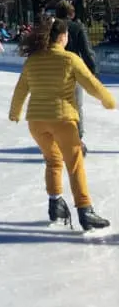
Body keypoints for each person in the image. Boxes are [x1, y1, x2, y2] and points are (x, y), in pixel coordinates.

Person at [9, 16, 113, 232]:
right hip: (63, 120)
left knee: (53, 161)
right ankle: (85, 210)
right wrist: (108, 101)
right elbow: (92, 84)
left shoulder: (33, 60)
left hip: (36, 122)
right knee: (74, 164)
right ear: (63, 37)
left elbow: (21, 89)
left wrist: (14, 112)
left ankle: (55, 204)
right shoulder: (70, 59)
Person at [54, 0, 96, 153]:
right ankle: (77, 139)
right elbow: (86, 51)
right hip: (72, 71)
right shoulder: (77, 27)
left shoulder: (50, 28)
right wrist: (92, 71)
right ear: (71, 13)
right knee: (76, 105)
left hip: (52, 71)